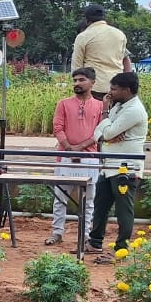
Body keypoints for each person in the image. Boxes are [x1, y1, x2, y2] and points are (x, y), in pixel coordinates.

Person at [86, 72, 147, 264]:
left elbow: (108, 130)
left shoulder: (134, 110)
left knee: (123, 210)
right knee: (100, 205)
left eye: (113, 89)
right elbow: (98, 132)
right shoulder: (120, 106)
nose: (110, 92)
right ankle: (95, 242)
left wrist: (105, 116)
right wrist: (106, 134)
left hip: (125, 168)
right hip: (109, 165)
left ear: (126, 90)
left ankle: (121, 250)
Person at [46, 67, 105, 246]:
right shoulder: (63, 103)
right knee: (60, 197)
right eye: (75, 80)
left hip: (89, 157)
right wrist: (69, 148)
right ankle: (57, 232)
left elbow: (100, 131)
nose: (77, 84)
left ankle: (85, 235)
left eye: (81, 80)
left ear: (92, 83)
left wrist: (79, 148)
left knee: (88, 200)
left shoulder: (100, 106)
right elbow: (57, 127)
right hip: (65, 157)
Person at [71, 4, 133, 99]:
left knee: (93, 114)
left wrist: (78, 90)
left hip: (94, 88)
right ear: (104, 18)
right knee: (113, 113)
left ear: (87, 20)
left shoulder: (83, 36)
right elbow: (124, 58)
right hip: (116, 87)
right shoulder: (120, 35)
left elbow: (77, 67)